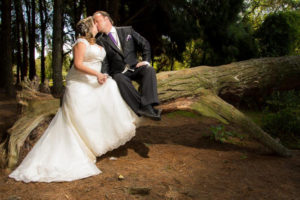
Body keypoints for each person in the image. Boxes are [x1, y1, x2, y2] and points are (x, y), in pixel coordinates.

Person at [9, 16, 137, 183]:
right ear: (89, 27)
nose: (97, 25)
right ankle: (80, 149)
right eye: (94, 24)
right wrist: (97, 74)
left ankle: (118, 124)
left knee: (112, 87)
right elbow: (78, 64)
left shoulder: (96, 43)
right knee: (80, 114)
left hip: (94, 80)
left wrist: (103, 74)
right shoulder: (80, 43)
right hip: (80, 82)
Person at [93, 11, 162, 121]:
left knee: (149, 70)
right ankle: (146, 108)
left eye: (97, 21)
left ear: (106, 19)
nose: (95, 24)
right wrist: (105, 73)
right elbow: (104, 60)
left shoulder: (127, 30)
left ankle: (146, 105)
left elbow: (145, 44)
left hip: (135, 67)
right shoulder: (100, 41)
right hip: (119, 72)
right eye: (94, 22)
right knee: (118, 78)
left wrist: (146, 61)